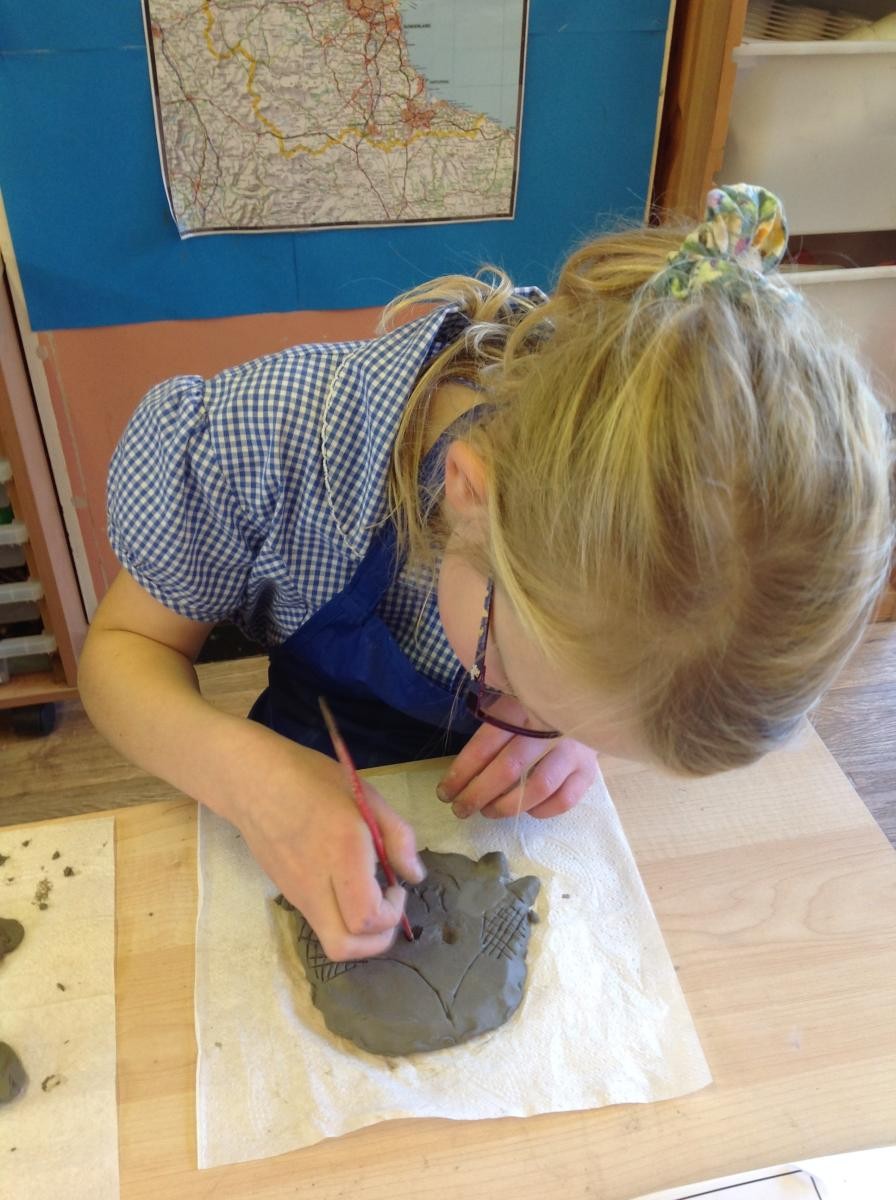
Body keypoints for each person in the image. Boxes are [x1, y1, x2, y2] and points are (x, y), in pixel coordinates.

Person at [78, 184, 894, 961]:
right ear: (468, 491)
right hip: (281, 792)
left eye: (559, 710)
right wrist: (255, 784)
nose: (512, 706)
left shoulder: (656, 568)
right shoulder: (267, 445)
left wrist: (578, 727)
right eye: (510, 673)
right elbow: (121, 653)